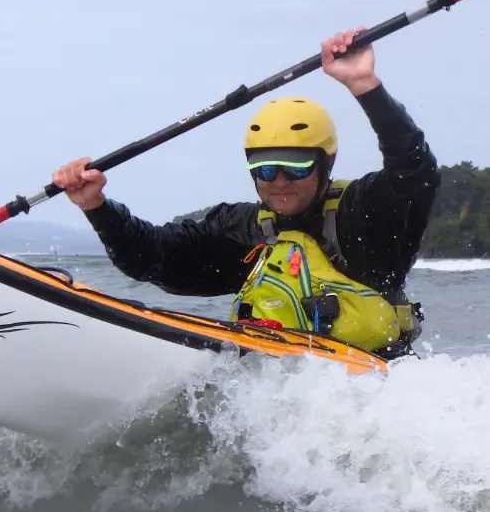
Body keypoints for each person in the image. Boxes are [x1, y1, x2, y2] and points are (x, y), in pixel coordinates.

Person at [52, 28, 439, 360]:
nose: (279, 180)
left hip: (370, 380)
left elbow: (415, 171)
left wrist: (364, 85)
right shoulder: (243, 229)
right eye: (264, 169)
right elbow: (150, 256)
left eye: (296, 166)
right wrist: (96, 207)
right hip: (279, 386)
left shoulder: (366, 212)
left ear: (326, 163)